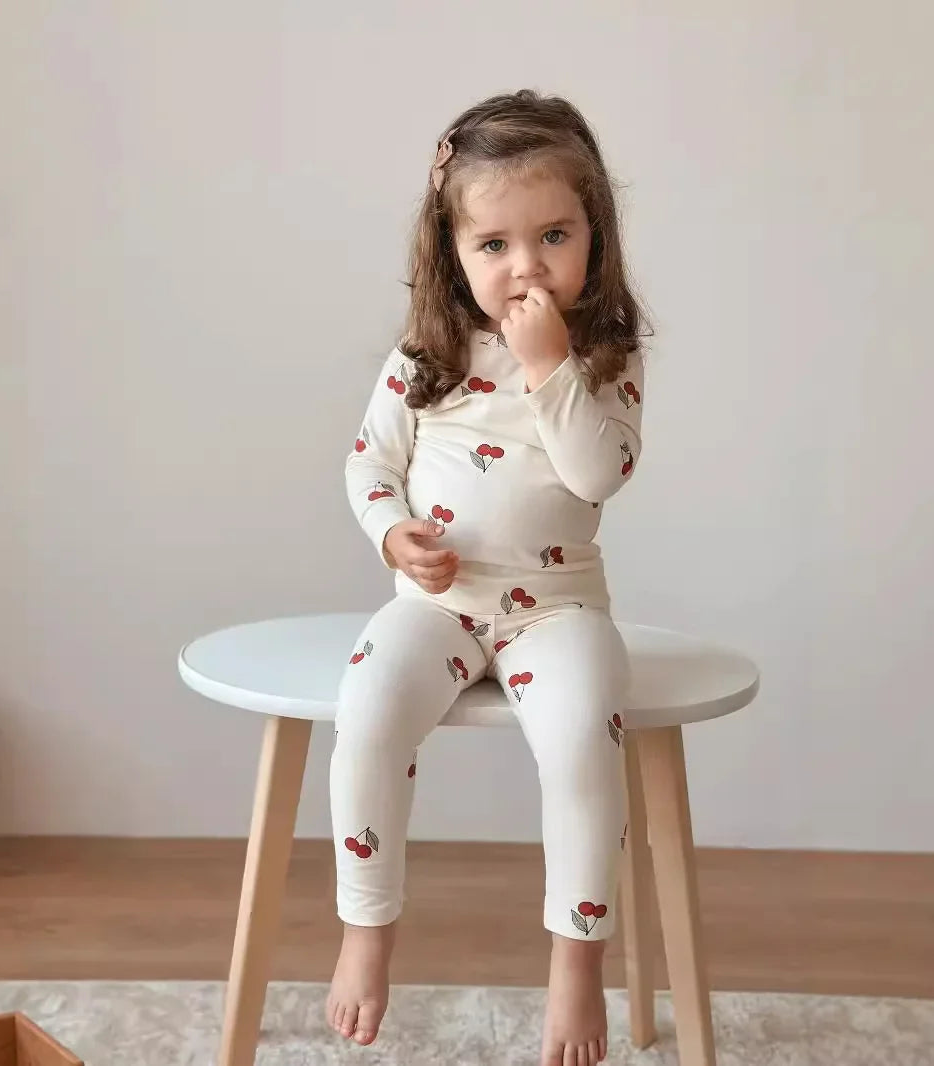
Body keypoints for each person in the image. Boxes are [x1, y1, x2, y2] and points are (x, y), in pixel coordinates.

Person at [327, 87, 651, 1066]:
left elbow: (600, 475)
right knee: (370, 705)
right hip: (439, 600)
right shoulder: (426, 354)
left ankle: (576, 962)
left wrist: (549, 369)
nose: (525, 267)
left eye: (552, 235)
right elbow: (366, 464)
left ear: (594, 232)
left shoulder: (602, 354)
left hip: (556, 609)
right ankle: (365, 932)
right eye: (494, 245)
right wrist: (392, 538)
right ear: (452, 250)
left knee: (582, 743)